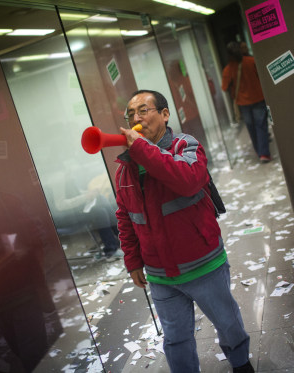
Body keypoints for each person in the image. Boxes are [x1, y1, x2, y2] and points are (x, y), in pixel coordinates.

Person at [114, 89, 254, 373]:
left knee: (227, 322)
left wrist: (142, 148)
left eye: (143, 111)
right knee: (175, 339)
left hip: (203, 263)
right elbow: (126, 218)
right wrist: (133, 260)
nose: (136, 119)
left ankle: (240, 363)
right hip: (160, 274)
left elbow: (189, 181)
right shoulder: (125, 169)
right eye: (131, 115)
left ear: (165, 115)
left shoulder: (185, 146)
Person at [222, 41, 271, 163]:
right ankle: (264, 153)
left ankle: (259, 151)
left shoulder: (228, 69)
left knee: (251, 127)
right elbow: (262, 76)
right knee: (261, 125)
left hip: (243, 103)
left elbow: (224, 87)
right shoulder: (251, 61)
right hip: (258, 97)